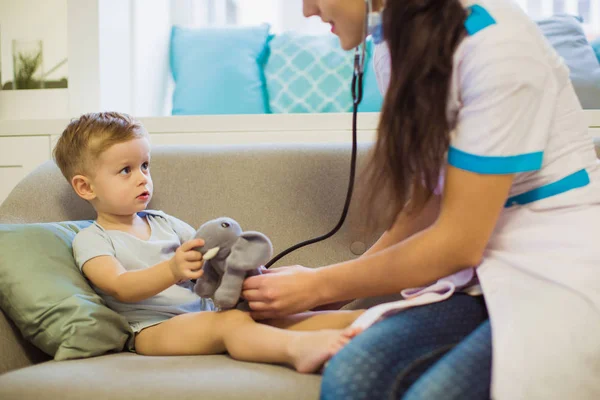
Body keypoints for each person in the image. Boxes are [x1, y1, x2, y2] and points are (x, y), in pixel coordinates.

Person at [242, 0, 600, 399]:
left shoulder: (497, 47)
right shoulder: (393, 48)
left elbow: (457, 244)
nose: (307, 10)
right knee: (352, 377)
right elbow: (426, 204)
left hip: (557, 271)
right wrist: (337, 289)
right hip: (482, 276)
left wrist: (318, 286)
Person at [52, 111, 363, 373]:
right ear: (85, 187)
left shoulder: (164, 222)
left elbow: (210, 253)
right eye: (125, 170)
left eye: (145, 165)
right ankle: (297, 350)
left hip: (207, 310)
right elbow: (121, 286)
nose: (142, 178)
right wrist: (172, 270)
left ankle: (363, 324)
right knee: (229, 325)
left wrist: (239, 267)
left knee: (266, 314)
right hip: (150, 329)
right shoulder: (92, 239)